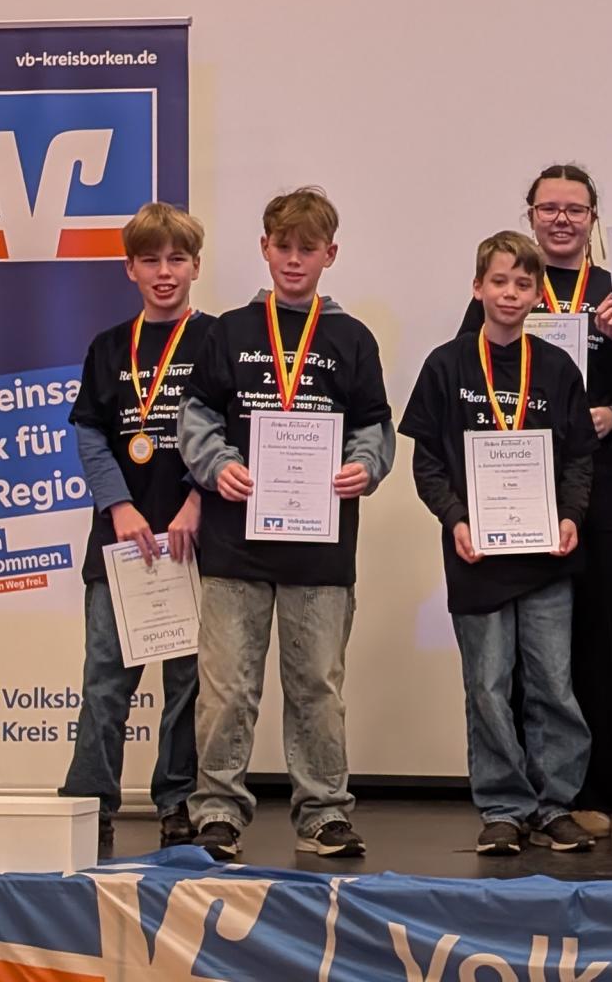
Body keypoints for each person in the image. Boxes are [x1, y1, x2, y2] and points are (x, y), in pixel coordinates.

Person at [177, 187, 395, 861]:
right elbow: (196, 415)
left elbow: (374, 425)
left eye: (309, 248)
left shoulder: (352, 338)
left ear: (331, 254)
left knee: (317, 688)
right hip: (235, 543)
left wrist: (364, 466)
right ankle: (217, 812)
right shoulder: (229, 331)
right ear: (264, 248)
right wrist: (218, 465)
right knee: (227, 689)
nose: (294, 259)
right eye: (283, 246)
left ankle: (324, 813)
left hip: (319, 548)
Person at [456, 166, 612, 838]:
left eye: (576, 209)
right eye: (549, 208)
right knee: (519, 651)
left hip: (598, 484)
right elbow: (470, 386)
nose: (562, 219)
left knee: (594, 639)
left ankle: (592, 790)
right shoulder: (503, 289)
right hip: (515, 493)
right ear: (530, 214)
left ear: (593, 218)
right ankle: (518, 797)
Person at [405, 231, 600, 855]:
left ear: (537, 293)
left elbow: (579, 459)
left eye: (522, 283)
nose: (510, 294)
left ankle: (554, 805)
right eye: (499, 281)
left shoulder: (558, 368)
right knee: (487, 687)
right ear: (477, 287)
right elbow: (427, 463)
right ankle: (504, 808)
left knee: (553, 687)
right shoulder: (446, 365)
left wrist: (571, 515)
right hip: (478, 555)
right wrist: (455, 520)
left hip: (546, 556)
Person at [62, 202, 213, 855]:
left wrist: (198, 501)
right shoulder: (108, 347)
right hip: (120, 544)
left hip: (193, 540)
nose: (164, 271)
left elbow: (235, 433)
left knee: (188, 685)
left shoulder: (217, 341)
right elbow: (91, 436)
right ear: (130, 268)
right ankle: (89, 804)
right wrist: (118, 506)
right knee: (105, 680)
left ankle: (178, 801)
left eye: (177, 259)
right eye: (150, 260)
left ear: (196, 266)